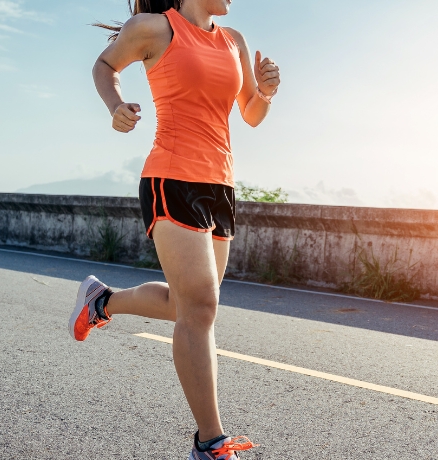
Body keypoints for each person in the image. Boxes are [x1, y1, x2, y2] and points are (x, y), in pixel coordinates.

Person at [69, 0, 280, 458]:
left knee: (187, 306)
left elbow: (250, 114)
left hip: (220, 185)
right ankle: (210, 443)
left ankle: (102, 301)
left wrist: (263, 92)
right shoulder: (155, 28)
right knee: (201, 306)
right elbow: (105, 65)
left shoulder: (233, 40)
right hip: (172, 176)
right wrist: (115, 105)